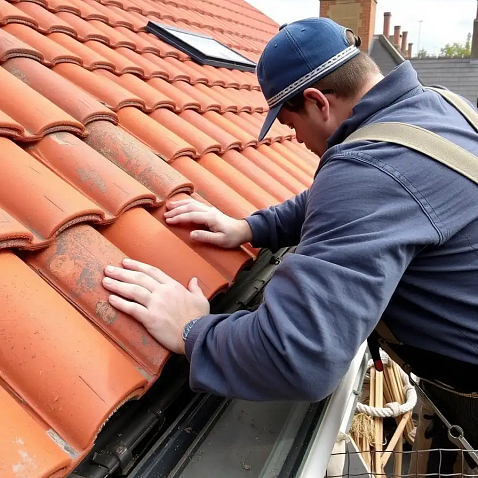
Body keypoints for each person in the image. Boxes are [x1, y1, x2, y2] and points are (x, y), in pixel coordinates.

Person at [103, 18, 478, 475]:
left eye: (289, 121)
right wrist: (251, 228)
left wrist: (193, 330)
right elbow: (360, 199)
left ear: (318, 102)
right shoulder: (437, 107)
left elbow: (299, 355)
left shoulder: (367, 171)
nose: (296, 139)